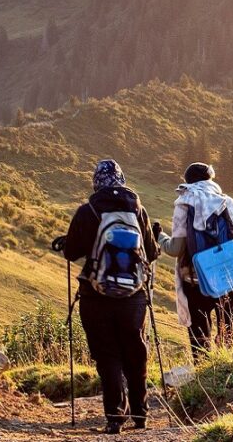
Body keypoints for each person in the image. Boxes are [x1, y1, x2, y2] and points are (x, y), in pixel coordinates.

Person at [59, 159, 158, 434]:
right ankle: (141, 414)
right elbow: (151, 252)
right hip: (134, 297)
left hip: (95, 295)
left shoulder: (87, 210)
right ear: (121, 179)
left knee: (108, 354)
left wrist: (67, 242)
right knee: (135, 352)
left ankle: (115, 417)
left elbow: (71, 253)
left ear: (96, 183)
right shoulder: (138, 210)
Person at [154, 162, 233, 361]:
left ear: (188, 182)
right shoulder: (226, 202)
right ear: (210, 179)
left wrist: (160, 236)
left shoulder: (183, 203)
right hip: (227, 279)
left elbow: (175, 249)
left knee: (200, 337)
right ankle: (227, 376)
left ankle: (202, 376)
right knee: (227, 334)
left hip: (195, 280)